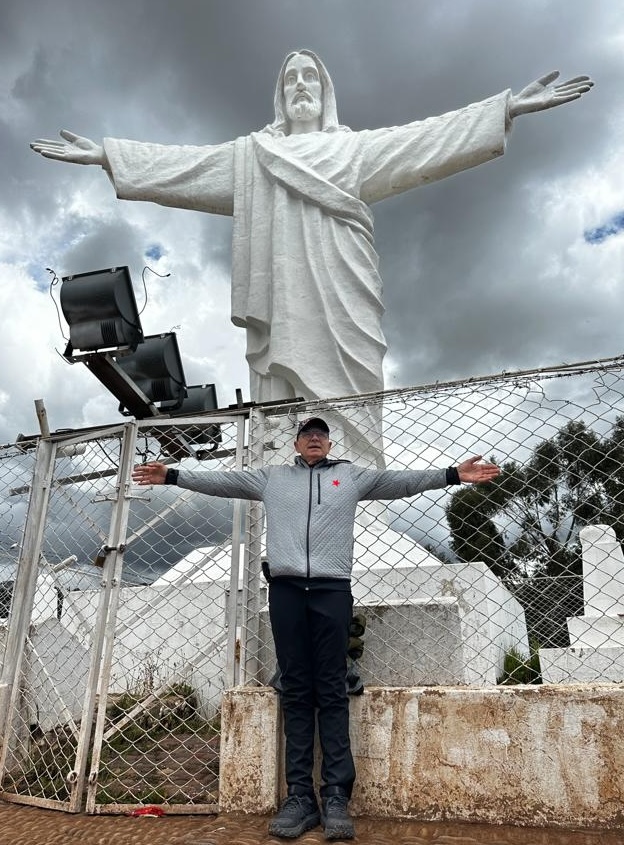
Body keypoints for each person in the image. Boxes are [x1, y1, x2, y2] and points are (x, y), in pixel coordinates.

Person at [30, 52, 593, 463]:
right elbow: (187, 167)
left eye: (311, 77)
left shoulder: (354, 149)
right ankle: (283, 468)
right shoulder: (254, 156)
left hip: (344, 283)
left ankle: (354, 478)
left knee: (352, 384)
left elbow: (426, 140)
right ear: (281, 95)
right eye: (291, 78)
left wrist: (506, 110)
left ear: (325, 92)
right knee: (283, 396)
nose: (301, 85)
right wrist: (111, 155)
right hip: (284, 292)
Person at [131, 416, 500, 840]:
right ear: (296, 442)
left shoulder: (351, 476)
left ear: (328, 443)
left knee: (332, 687)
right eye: (307, 434)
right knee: (296, 687)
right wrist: (174, 475)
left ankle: (337, 798)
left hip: (332, 589)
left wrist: (453, 474)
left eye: (320, 435)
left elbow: (400, 481)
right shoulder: (272, 478)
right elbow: (225, 481)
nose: (314, 439)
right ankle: (301, 798)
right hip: (287, 591)